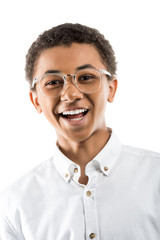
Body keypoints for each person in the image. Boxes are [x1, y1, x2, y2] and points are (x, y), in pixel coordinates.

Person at [0, 23, 160, 240]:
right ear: (36, 100)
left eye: (86, 77)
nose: (70, 94)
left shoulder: (155, 178)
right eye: (54, 82)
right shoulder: (15, 203)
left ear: (111, 89)